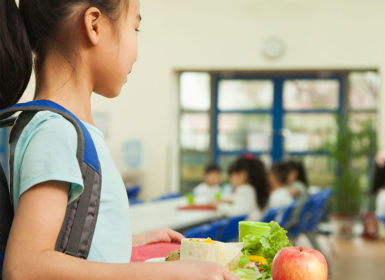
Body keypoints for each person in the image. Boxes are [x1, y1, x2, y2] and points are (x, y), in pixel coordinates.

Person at [0, 1, 238, 279]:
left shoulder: (67, 129)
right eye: (135, 28)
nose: (137, 51)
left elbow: (67, 246)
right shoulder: (56, 132)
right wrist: (172, 275)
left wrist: (128, 241)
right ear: (94, 25)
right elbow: (25, 267)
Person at [217, 156, 270, 221]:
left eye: (231, 176)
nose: (230, 181)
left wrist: (218, 205)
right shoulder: (254, 189)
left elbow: (237, 213)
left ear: (242, 175)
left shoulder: (245, 188)